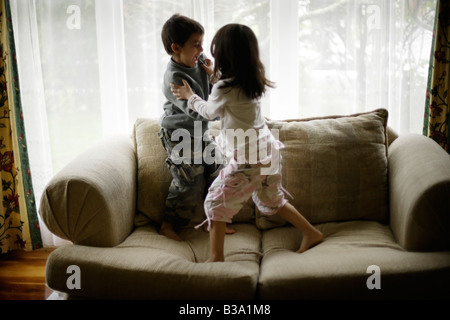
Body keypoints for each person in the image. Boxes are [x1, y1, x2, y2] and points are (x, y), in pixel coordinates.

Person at [171, 23, 323, 261]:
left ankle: (216, 257)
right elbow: (232, 93)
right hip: (269, 153)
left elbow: (210, 112)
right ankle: (311, 232)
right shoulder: (253, 81)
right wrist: (212, 75)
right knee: (273, 200)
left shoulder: (224, 87)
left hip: (249, 161)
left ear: (224, 54)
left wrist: (190, 96)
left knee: (214, 201)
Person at [159, 14, 233, 241]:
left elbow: (220, 88)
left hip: (200, 133)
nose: (202, 49)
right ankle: (168, 224)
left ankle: (213, 219)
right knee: (189, 179)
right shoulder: (175, 77)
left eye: (202, 43)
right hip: (179, 134)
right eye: (196, 45)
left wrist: (211, 75)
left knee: (221, 170)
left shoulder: (198, 64)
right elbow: (193, 110)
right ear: (176, 47)